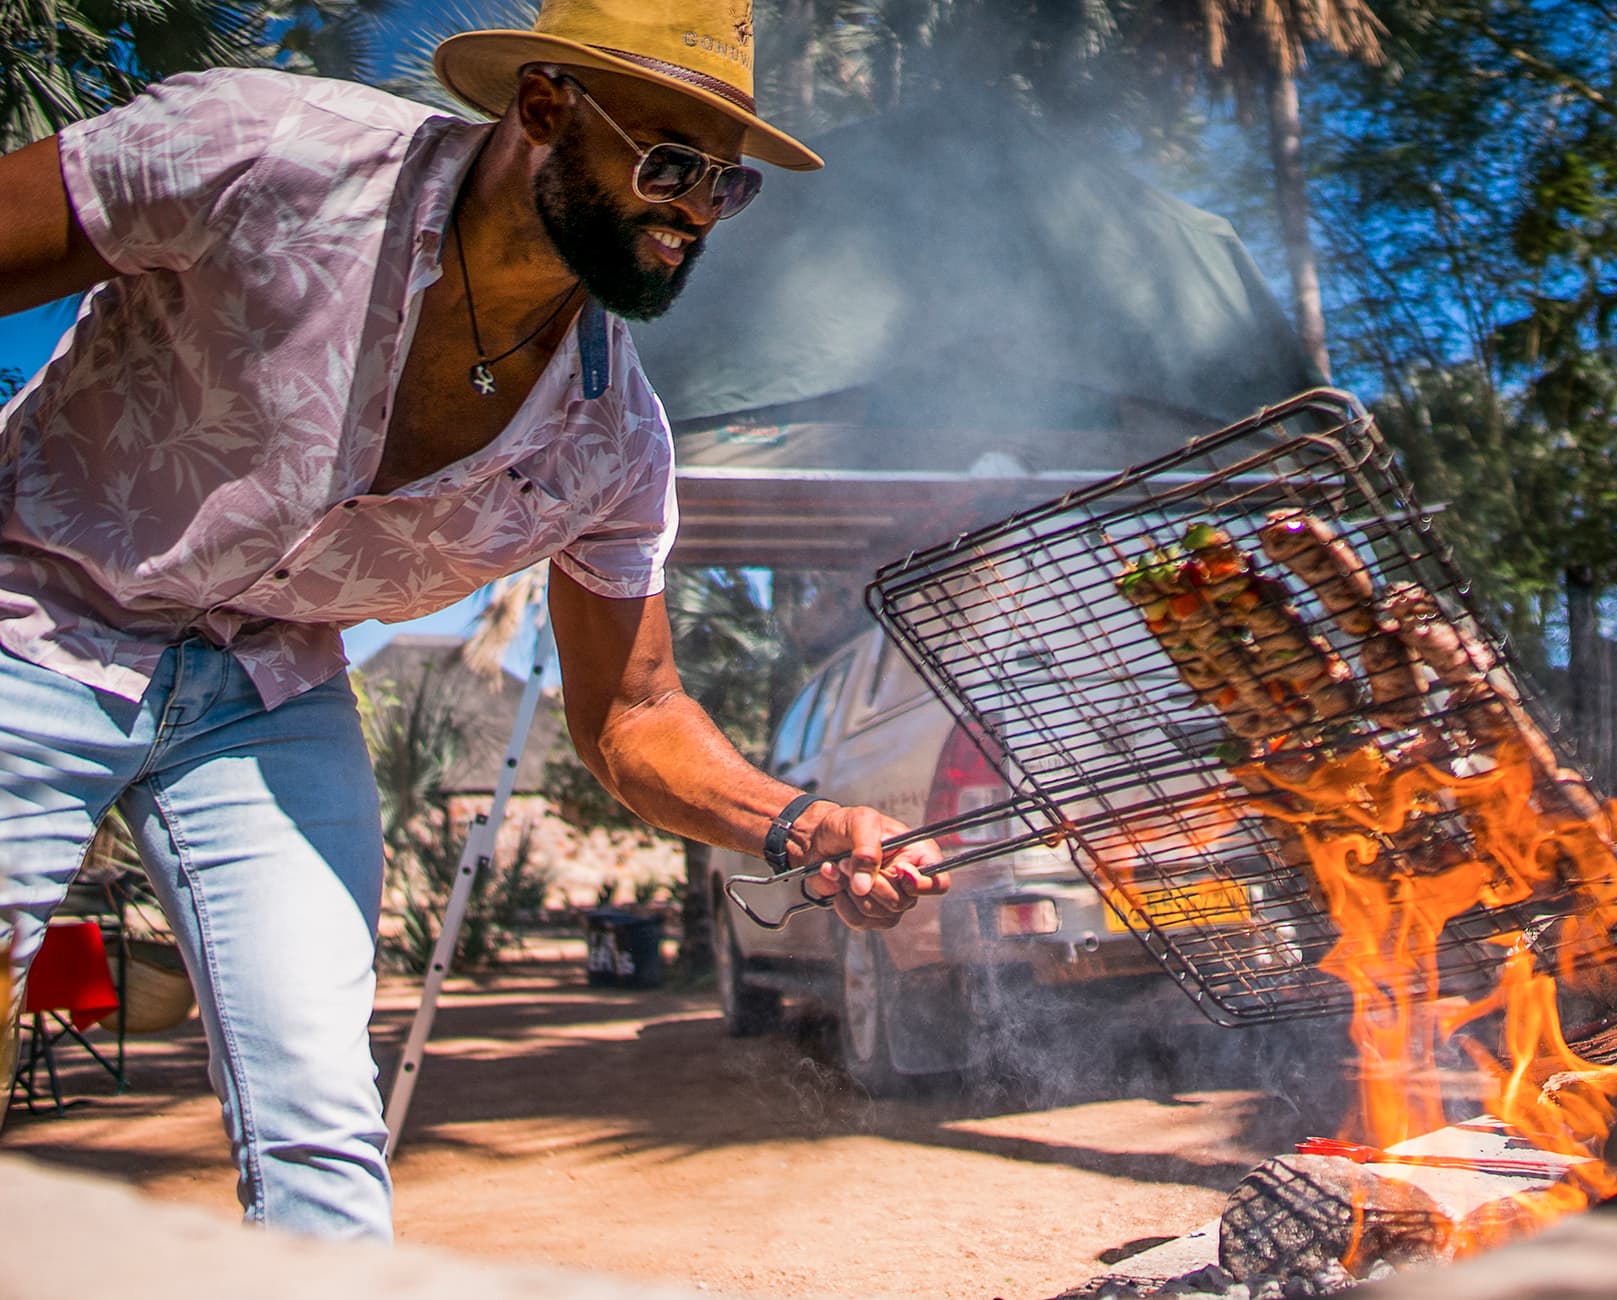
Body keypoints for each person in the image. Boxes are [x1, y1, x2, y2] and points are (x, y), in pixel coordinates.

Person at [0, 0, 946, 1242]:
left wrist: (796, 820)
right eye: (668, 165)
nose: (694, 213)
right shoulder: (266, 156)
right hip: (34, 613)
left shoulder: (613, 442)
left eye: (725, 186)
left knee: (316, 1105)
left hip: (268, 690)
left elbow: (633, 712)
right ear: (544, 109)